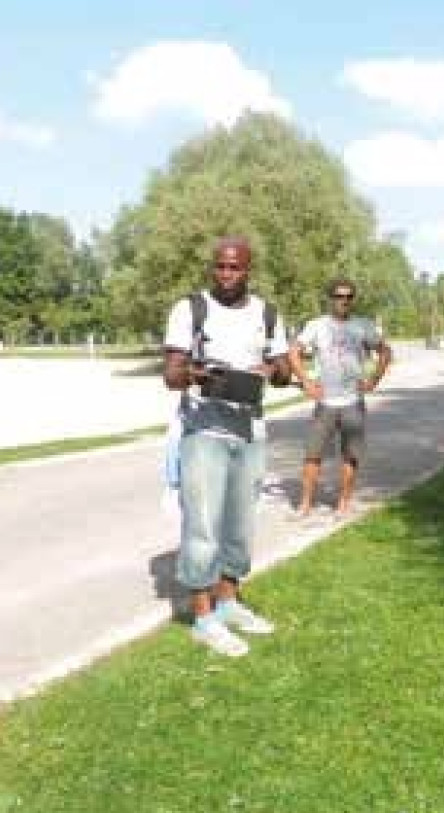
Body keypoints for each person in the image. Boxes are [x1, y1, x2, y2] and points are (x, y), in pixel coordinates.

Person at [162, 236, 287, 657]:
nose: (226, 274)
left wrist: (269, 369)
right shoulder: (190, 308)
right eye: (220, 266)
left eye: (235, 268)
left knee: (239, 525)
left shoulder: (267, 313)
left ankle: (230, 602)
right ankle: (203, 617)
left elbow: (285, 370)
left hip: (249, 430)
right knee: (203, 525)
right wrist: (199, 376)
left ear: (249, 269)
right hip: (204, 431)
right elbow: (171, 373)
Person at [288, 278, 392, 517]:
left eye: (348, 297)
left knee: (350, 455)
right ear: (330, 298)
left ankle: (343, 503)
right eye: (339, 296)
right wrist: (305, 380)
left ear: (353, 300)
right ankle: (305, 504)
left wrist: (374, 378)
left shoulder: (363, 325)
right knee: (313, 455)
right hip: (325, 403)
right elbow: (294, 351)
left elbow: (385, 350)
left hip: (352, 402)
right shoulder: (317, 325)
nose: (343, 301)